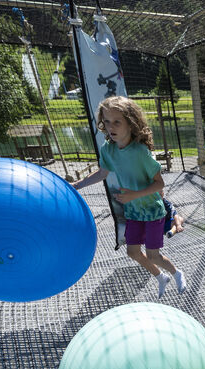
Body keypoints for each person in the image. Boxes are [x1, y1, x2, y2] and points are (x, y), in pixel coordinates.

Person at [73, 96, 186, 298]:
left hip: (152, 212)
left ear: (130, 123)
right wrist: (77, 185)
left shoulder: (141, 152)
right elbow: (101, 173)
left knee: (154, 255)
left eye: (117, 121)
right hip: (133, 211)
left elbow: (159, 184)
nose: (110, 127)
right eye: (106, 121)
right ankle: (161, 277)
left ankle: (177, 273)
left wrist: (135, 194)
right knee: (132, 252)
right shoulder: (108, 150)